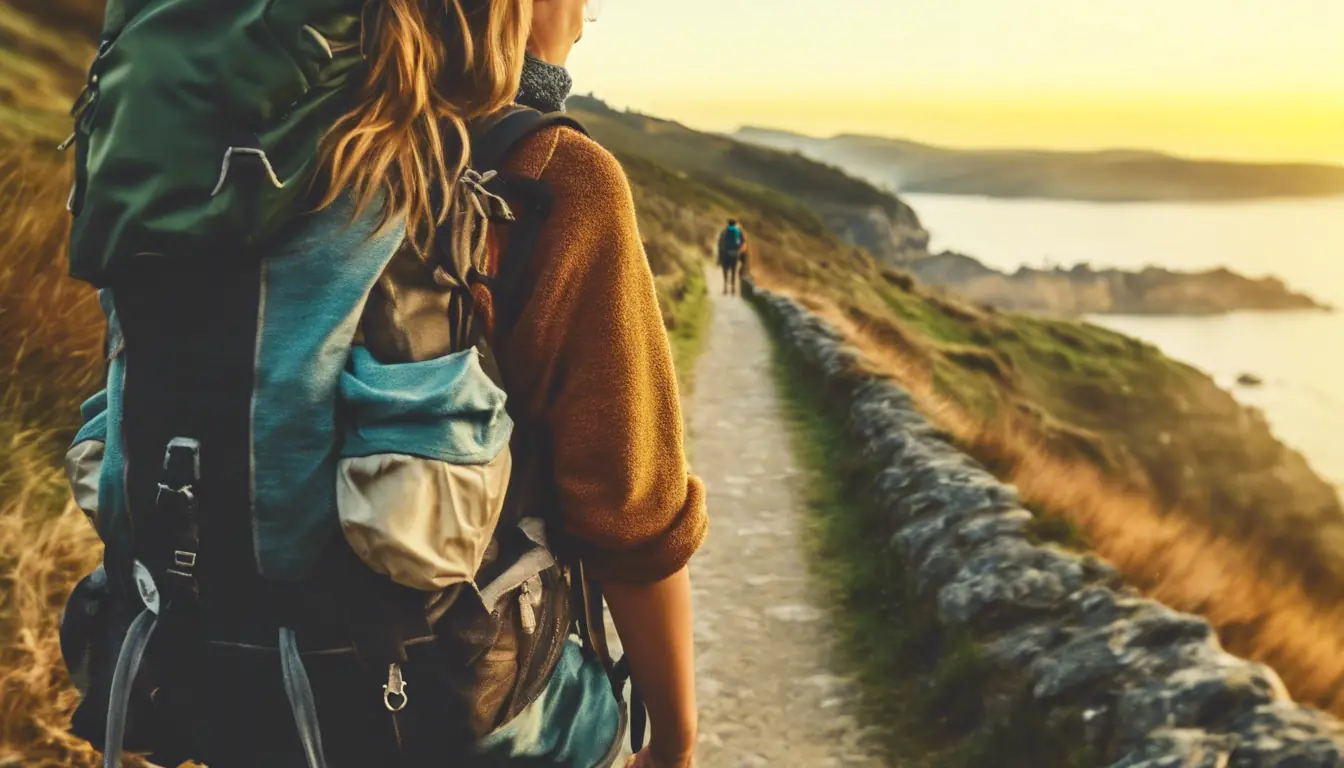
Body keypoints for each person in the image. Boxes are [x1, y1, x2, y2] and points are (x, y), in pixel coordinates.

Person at [59, 0, 705, 766]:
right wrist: (674, 738)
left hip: (229, 693)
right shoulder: (552, 175)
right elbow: (631, 515)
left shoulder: (216, 159)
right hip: (453, 708)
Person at [717, 219, 748, 295]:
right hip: (735, 253)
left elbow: (719, 243)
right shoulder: (739, 231)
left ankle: (725, 288)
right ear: (736, 223)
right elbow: (744, 243)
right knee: (734, 270)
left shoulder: (724, 231)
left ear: (728, 223)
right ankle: (733, 289)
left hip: (726, 252)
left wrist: (720, 255)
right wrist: (739, 252)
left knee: (725, 269)